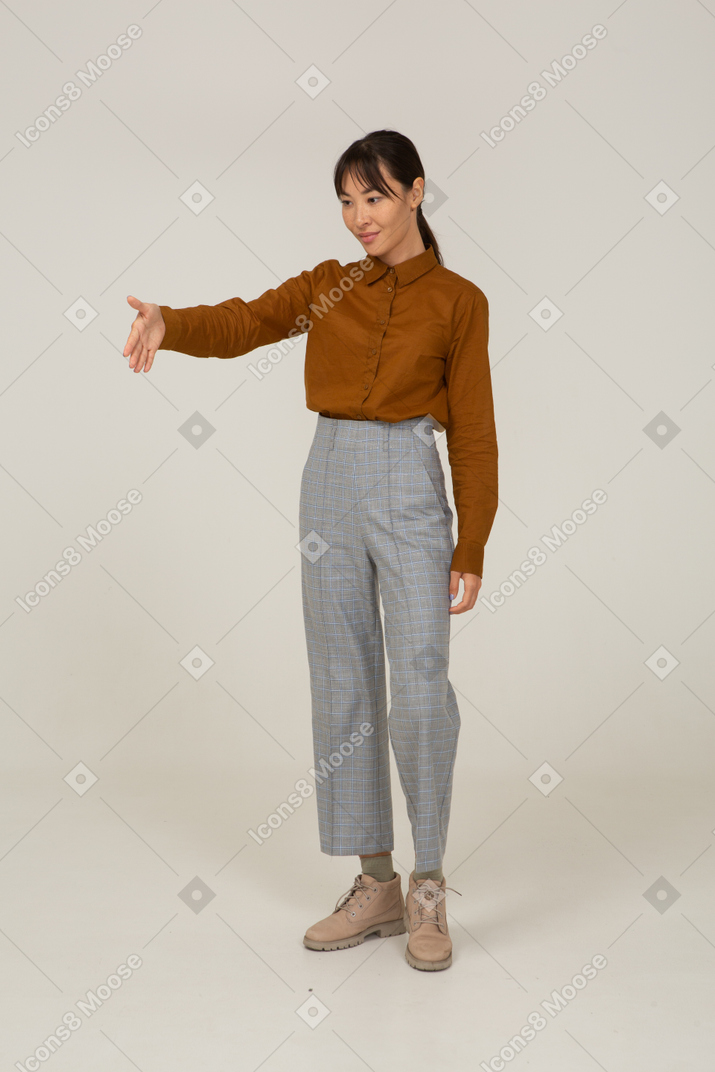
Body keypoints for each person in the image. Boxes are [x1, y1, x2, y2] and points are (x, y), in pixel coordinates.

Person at [123, 129, 498, 972]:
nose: (357, 216)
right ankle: (376, 884)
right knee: (342, 676)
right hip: (327, 472)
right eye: (345, 199)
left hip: (408, 474)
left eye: (373, 196)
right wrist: (169, 322)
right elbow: (246, 321)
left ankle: (429, 883)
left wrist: (470, 539)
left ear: (415, 193)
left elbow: (473, 429)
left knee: (422, 684)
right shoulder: (328, 287)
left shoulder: (458, 301)